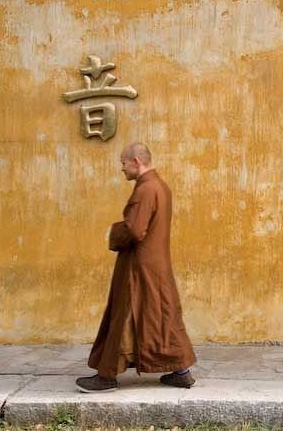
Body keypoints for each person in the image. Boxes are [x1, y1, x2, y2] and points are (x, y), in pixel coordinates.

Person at [76, 143, 197, 393]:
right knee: (163, 316)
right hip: (157, 263)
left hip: (139, 267)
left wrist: (113, 231)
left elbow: (134, 229)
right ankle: (181, 371)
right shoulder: (161, 186)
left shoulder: (145, 188)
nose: (122, 169)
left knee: (124, 315)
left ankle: (106, 375)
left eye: (123, 163)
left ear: (136, 161)